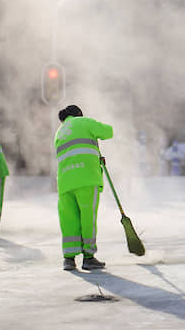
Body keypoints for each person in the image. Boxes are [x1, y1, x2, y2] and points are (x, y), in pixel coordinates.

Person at [54, 104, 112, 271]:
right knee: (88, 219)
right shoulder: (84, 121)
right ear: (79, 114)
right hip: (86, 180)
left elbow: (75, 151)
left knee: (69, 220)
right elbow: (108, 132)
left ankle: (69, 259)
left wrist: (94, 155)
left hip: (65, 182)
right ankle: (88, 257)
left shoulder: (60, 131)